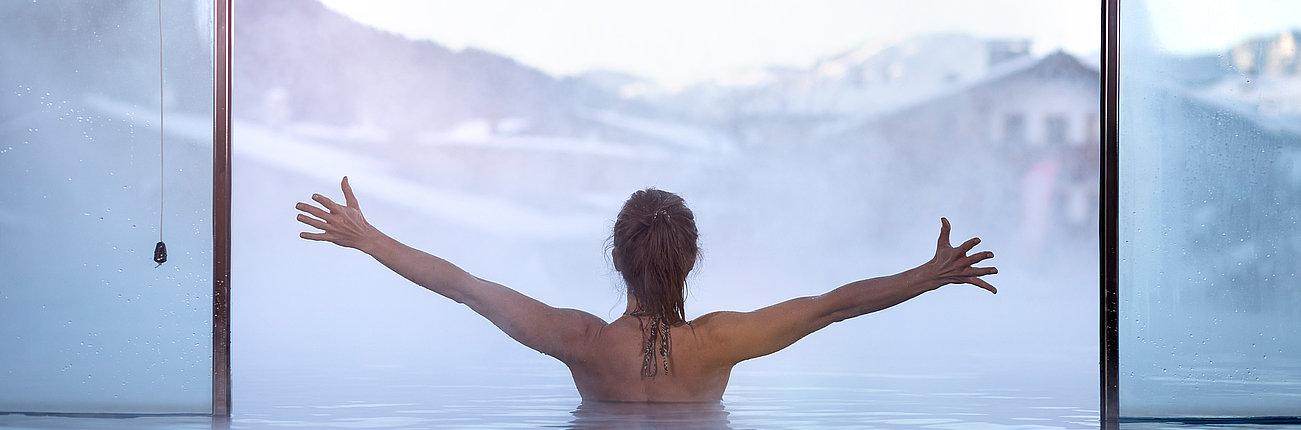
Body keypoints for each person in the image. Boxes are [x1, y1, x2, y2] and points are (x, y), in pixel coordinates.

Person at [296, 177, 997, 402]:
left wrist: (369, 238)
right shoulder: (722, 342)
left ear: (616, 257)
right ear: (690, 261)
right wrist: (928, 275)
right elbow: (835, 306)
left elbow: (464, 288)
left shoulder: (580, 342)